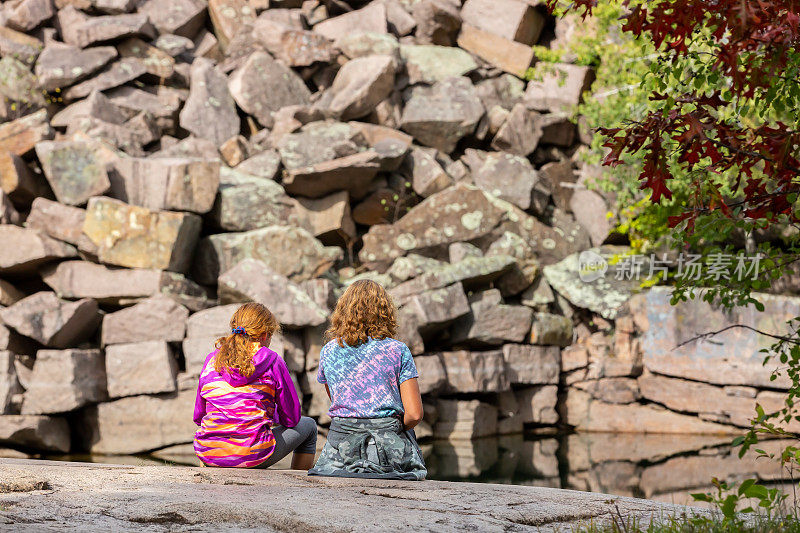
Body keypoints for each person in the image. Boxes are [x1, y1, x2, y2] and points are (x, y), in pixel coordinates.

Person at [309, 279, 427, 480]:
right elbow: (414, 414)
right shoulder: (397, 350)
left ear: (343, 312)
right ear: (385, 312)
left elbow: (339, 401)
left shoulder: (328, 351)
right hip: (388, 452)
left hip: (339, 452)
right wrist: (391, 428)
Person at [193, 302, 317, 469]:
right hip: (251, 454)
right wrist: (268, 417)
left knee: (208, 433)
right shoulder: (273, 361)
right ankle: (300, 485)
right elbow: (292, 418)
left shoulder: (212, 360)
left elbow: (199, 416)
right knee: (309, 426)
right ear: (265, 335)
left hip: (209, 452)